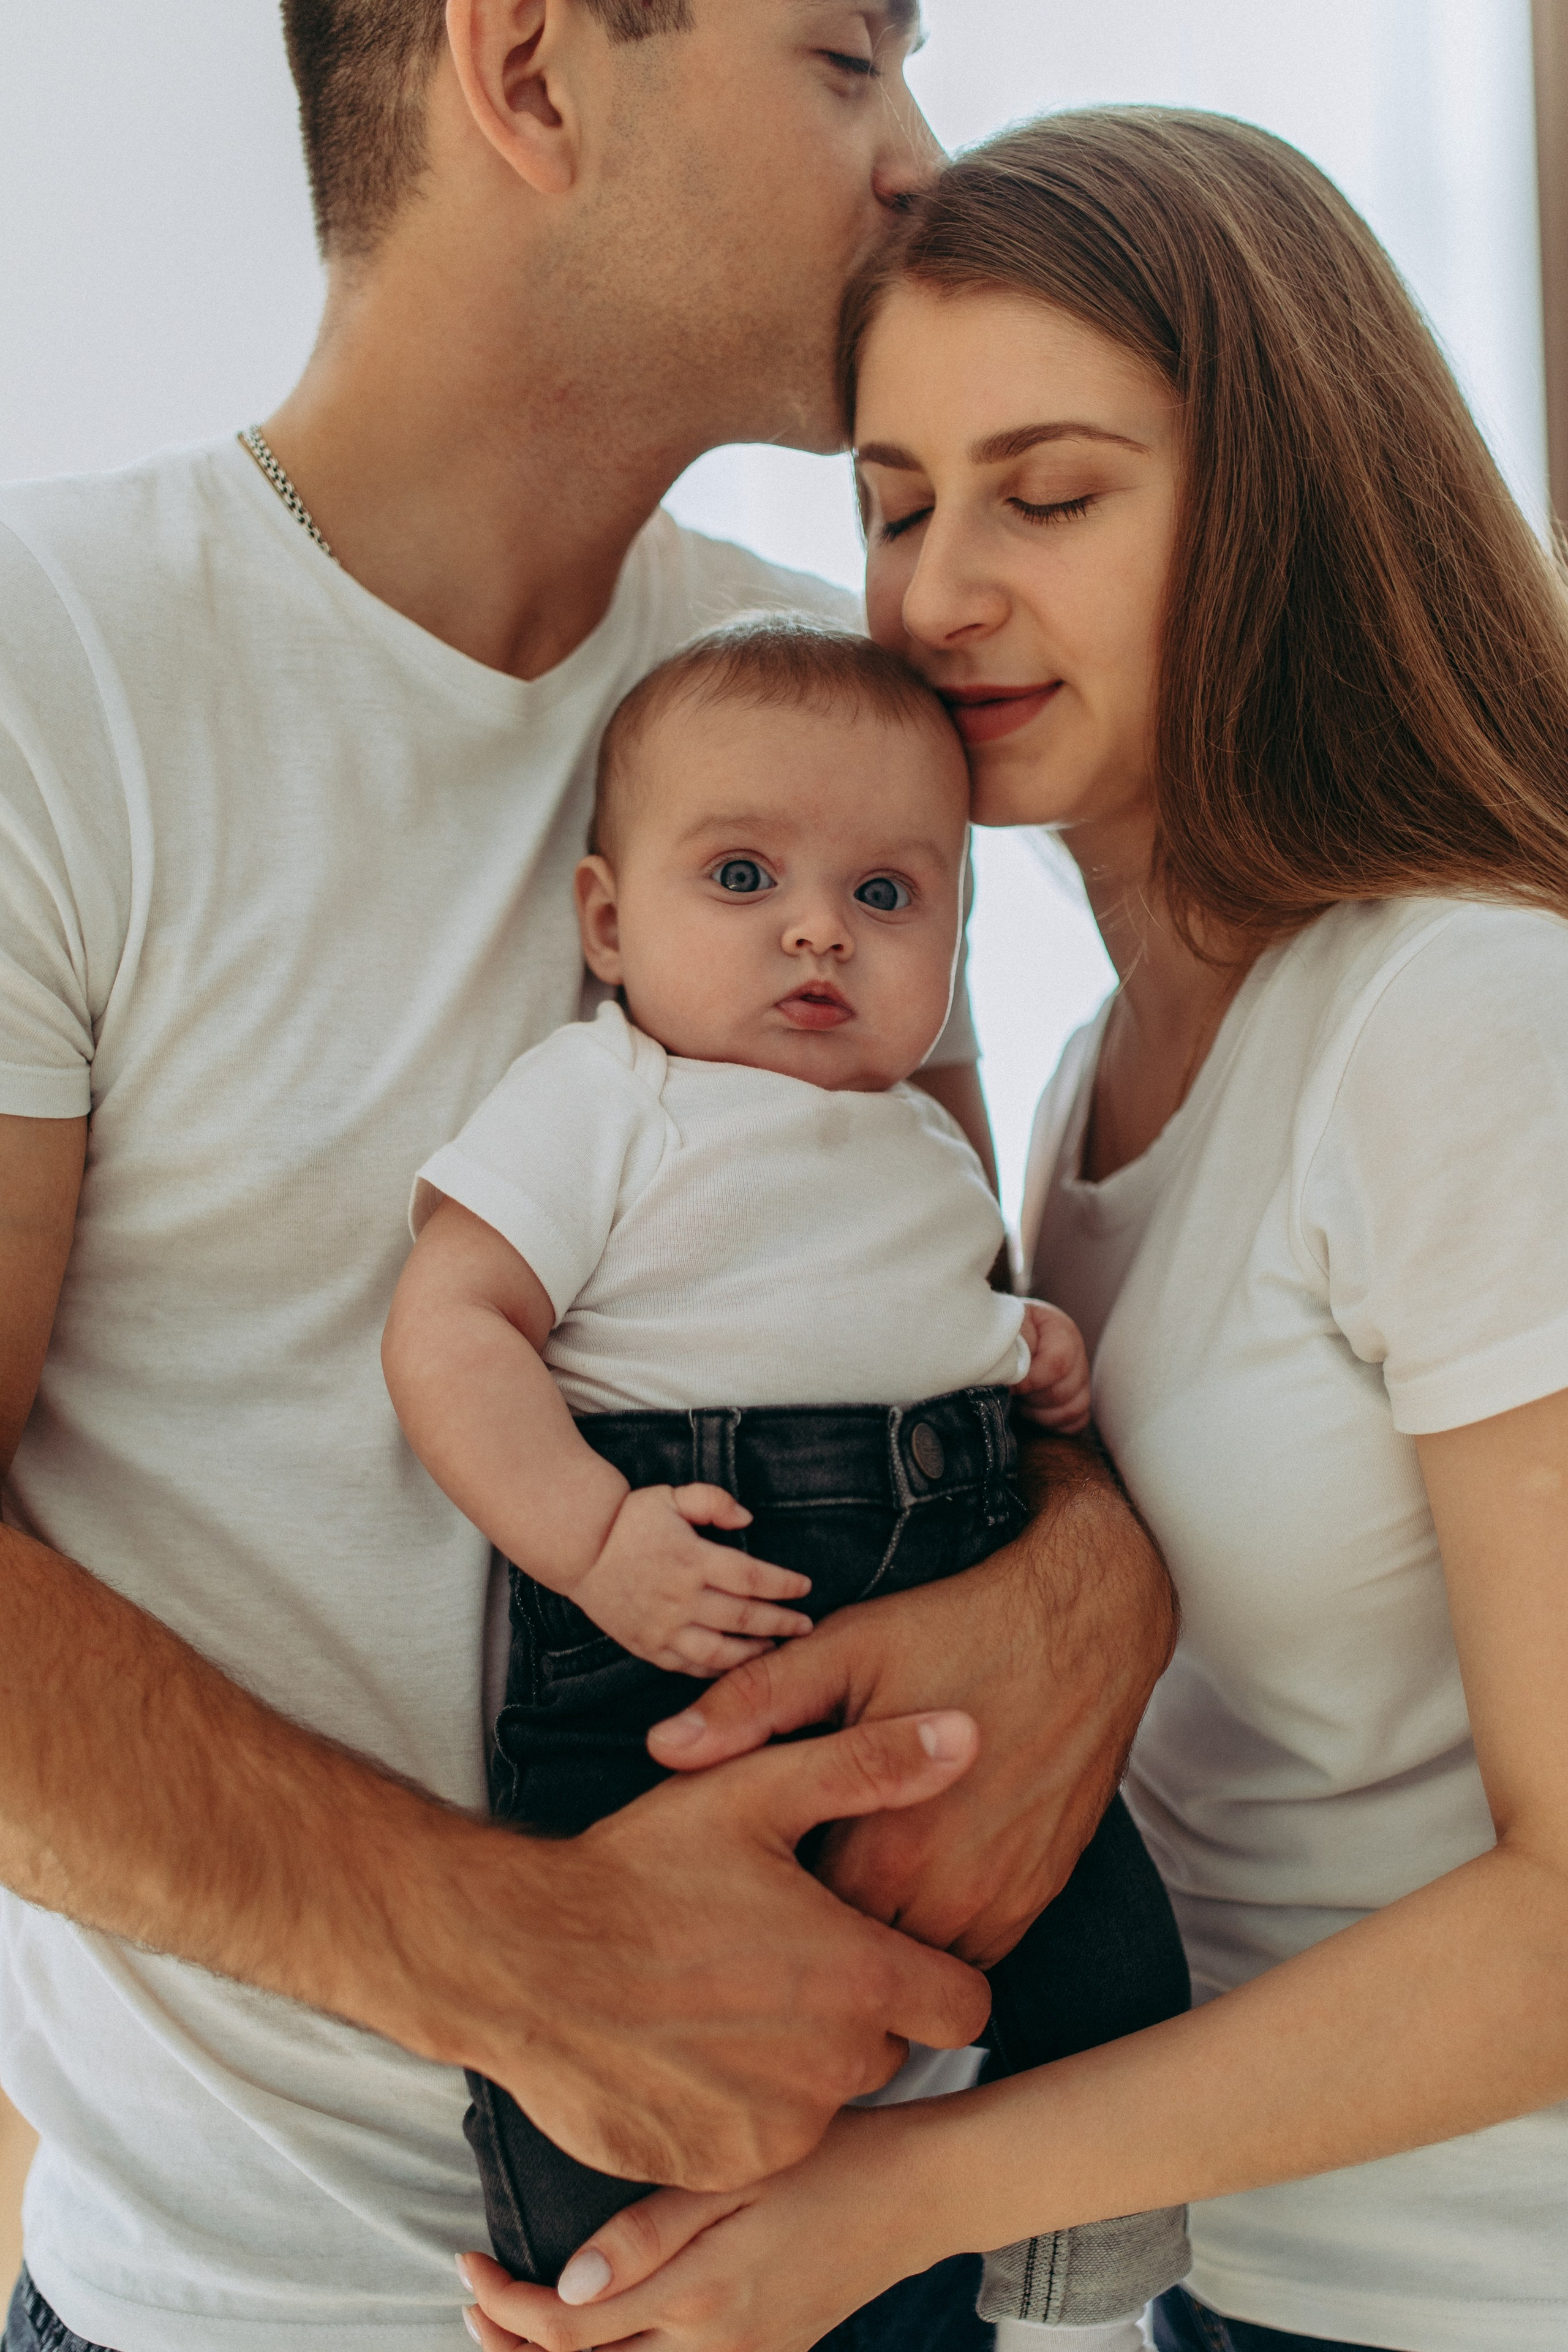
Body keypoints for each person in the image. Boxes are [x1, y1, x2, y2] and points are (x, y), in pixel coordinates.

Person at [0, 13, 1177, 2352]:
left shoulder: (825, 716)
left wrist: (1093, 1590)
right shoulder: (61, 680)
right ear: (530, 73)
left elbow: (939, 1307)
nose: (923, 163)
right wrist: (543, 1966)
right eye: (848, 54)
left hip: (866, 2264)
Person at [455, 106, 1568, 2352]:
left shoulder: (1469, 1018)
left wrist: (883, 2203)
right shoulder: (1076, 1090)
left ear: (1280, 501)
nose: (937, 591)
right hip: (1251, 2287)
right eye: (892, 504)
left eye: (1047, 497)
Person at [382, 616, 1190, 2346]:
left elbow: (939, 1310)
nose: (819, 927)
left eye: (887, 898)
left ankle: (1068, 2258)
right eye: (742, 876)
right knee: (637, 2025)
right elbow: (453, 1330)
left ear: (954, 943)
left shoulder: (911, 1132)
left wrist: (1020, 1349)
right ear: (611, 923)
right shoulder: (604, 1095)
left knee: (1099, 1922)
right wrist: (592, 1540)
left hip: (944, 1570)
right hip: (671, 1622)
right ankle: (596, 2267)